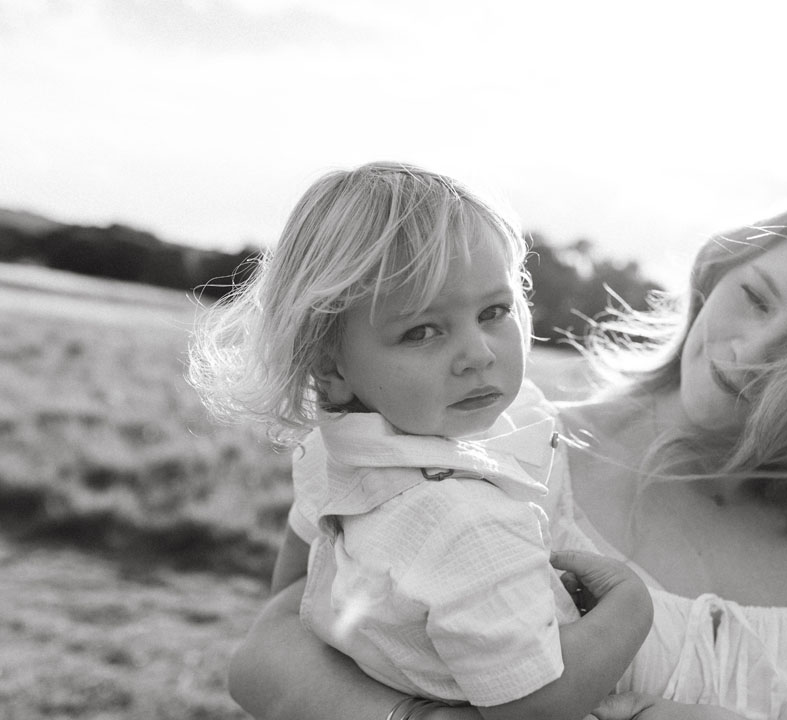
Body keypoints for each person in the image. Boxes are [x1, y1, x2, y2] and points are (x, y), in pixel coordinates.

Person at [226, 197, 787, 720]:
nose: (750, 351)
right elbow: (267, 652)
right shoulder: (491, 452)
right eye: (755, 299)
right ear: (716, 275)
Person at [188, 161, 665, 720]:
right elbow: (534, 709)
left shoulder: (333, 452)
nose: (479, 354)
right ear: (331, 365)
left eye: (494, 312)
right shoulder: (468, 520)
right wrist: (631, 610)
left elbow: (294, 590)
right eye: (421, 331)